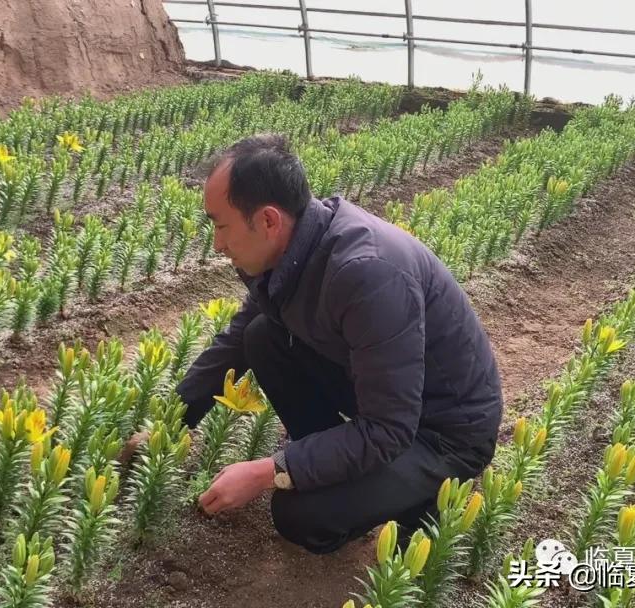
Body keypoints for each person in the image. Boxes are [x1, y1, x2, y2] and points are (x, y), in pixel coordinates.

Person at [172, 133, 503, 554]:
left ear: (269, 221)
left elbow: (389, 427)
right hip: (390, 400)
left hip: (442, 431)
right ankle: (341, 466)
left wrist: (270, 470)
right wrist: (170, 422)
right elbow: (236, 340)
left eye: (221, 226)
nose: (217, 244)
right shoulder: (283, 250)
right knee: (261, 337)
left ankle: (421, 500)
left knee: (301, 516)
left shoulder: (366, 273)